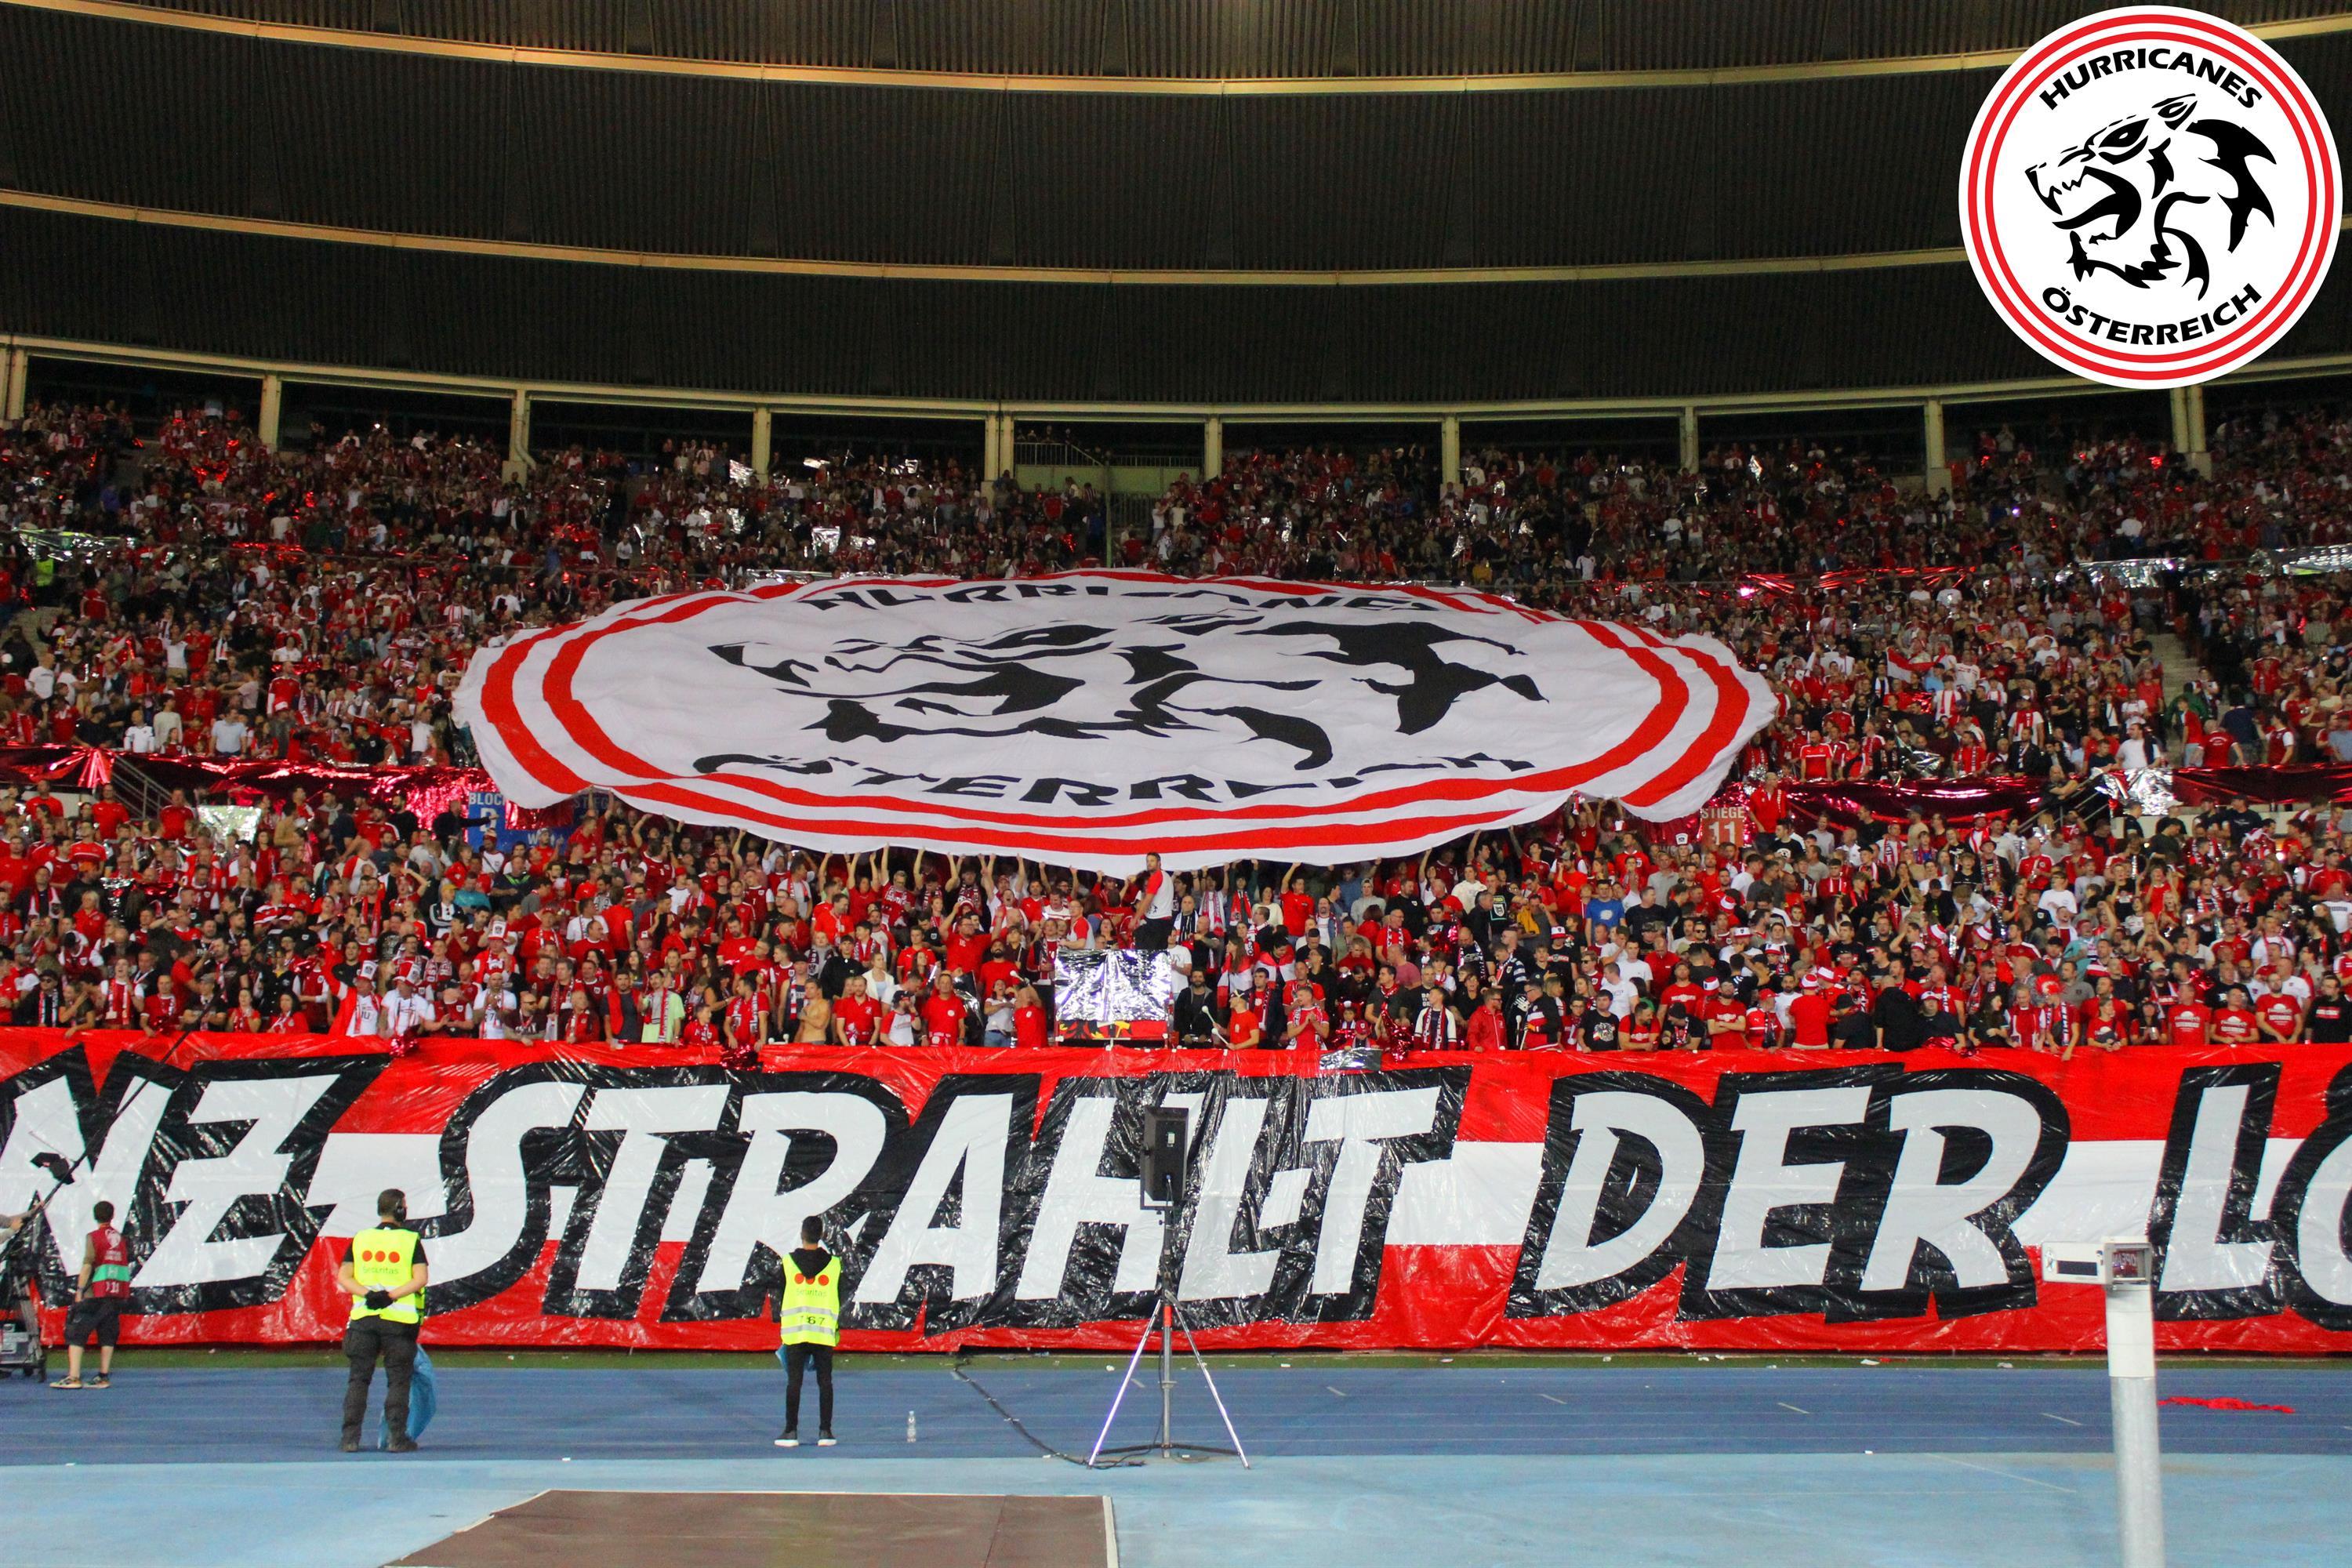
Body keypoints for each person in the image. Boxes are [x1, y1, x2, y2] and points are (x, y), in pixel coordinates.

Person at [336, 1187, 427, 1452]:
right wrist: (390, 1296)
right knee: (398, 1380)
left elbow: (344, 1276)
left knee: (358, 1379)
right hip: (398, 1322)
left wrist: (369, 1295)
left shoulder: (361, 1239)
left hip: (364, 1319)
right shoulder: (410, 1240)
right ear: (400, 1209)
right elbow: (420, 1278)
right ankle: (396, 1439)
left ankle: (350, 1438)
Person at [774, 1215, 840, 1449]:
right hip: (823, 1331)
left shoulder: (788, 1262)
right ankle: (826, 1432)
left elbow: (780, 1294)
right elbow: (840, 1295)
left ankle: (791, 1432)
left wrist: (780, 1320)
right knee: (825, 1382)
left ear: (802, 1235)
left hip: (797, 1331)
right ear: (821, 1235)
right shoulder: (834, 1264)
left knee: (794, 1382)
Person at [53, 1199, 132, 1389]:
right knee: (107, 1333)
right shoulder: (121, 1239)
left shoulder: (94, 1237)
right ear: (112, 1216)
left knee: (76, 1332)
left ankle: (74, 1377)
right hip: (116, 1291)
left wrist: (80, 1289)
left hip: (97, 1291)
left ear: (95, 1216)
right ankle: (103, 1376)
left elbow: (88, 1264)